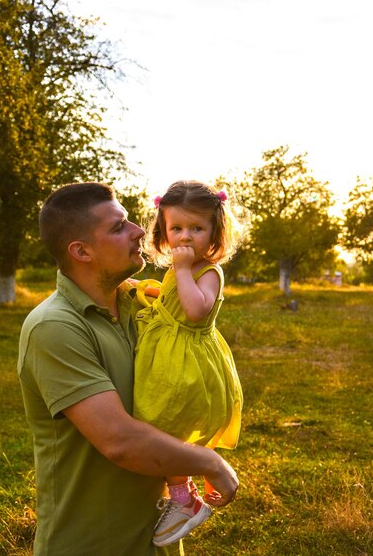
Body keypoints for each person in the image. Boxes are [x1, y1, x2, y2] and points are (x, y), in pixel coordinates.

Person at [17, 182, 239, 556]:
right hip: (92, 543)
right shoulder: (54, 327)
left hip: (157, 539)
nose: (139, 231)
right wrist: (210, 462)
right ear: (81, 251)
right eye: (119, 227)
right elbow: (119, 441)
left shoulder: (140, 306)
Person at [132, 180, 243, 547]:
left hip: (187, 366)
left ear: (214, 232)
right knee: (155, 423)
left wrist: (181, 271)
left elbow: (195, 311)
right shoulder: (175, 270)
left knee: (164, 425)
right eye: (176, 228)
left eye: (196, 229)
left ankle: (185, 502)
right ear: (162, 230)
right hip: (167, 358)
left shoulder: (208, 271)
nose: (185, 237)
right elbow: (171, 303)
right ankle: (183, 496)